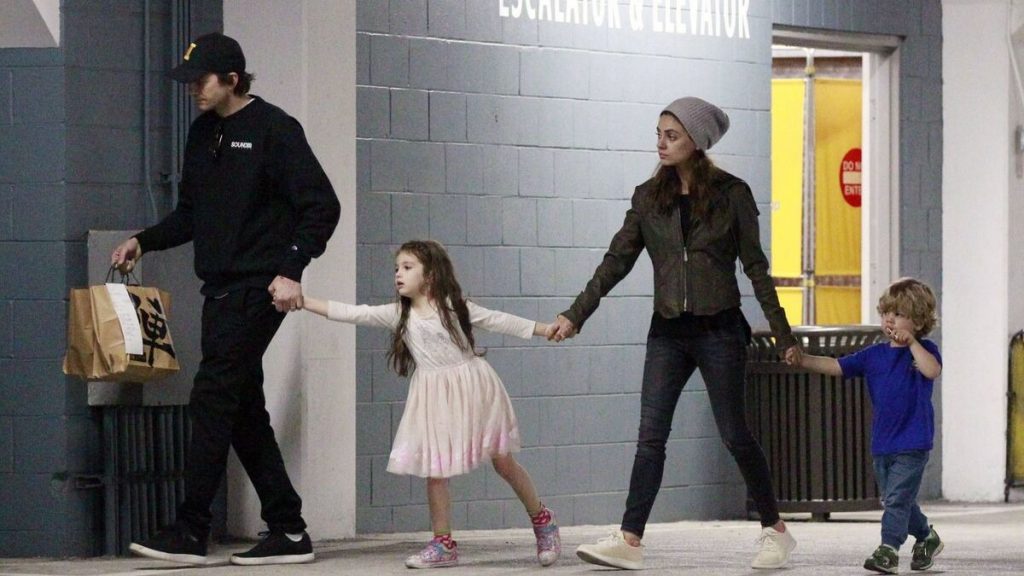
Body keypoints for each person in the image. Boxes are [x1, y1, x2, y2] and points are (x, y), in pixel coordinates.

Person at [111, 32, 340, 566]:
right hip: (218, 290)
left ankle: (192, 529)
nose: (193, 89)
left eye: (202, 80)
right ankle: (288, 530)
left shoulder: (275, 130)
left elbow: (321, 206)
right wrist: (143, 240)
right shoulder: (202, 133)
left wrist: (291, 270)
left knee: (212, 397)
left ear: (232, 79)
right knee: (241, 409)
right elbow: (190, 215)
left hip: (259, 288)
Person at [551, 96, 802, 570]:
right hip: (667, 331)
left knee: (735, 434)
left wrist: (783, 336)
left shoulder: (732, 195)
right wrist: (576, 314)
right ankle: (630, 539)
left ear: (697, 141)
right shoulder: (648, 197)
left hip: (720, 329)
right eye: (659, 134)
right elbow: (615, 262)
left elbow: (756, 268)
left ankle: (776, 531)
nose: (661, 144)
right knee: (650, 436)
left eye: (672, 136)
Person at [302, 239, 561, 569]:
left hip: (474, 391)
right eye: (396, 268)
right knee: (435, 470)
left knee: (503, 463)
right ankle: (443, 544)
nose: (398, 274)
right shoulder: (400, 314)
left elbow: (499, 320)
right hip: (433, 398)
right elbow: (353, 312)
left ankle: (543, 521)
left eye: (407, 267)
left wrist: (545, 329)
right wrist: (303, 300)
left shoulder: (454, 308)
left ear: (430, 274)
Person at [795, 277, 943, 574]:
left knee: (896, 500)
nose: (890, 319)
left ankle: (888, 549)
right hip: (883, 444)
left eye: (899, 314)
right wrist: (803, 359)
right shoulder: (874, 355)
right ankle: (927, 536)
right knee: (896, 499)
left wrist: (912, 343)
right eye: (887, 312)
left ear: (917, 321)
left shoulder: (924, 351)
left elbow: (932, 370)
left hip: (913, 443)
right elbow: (837, 366)